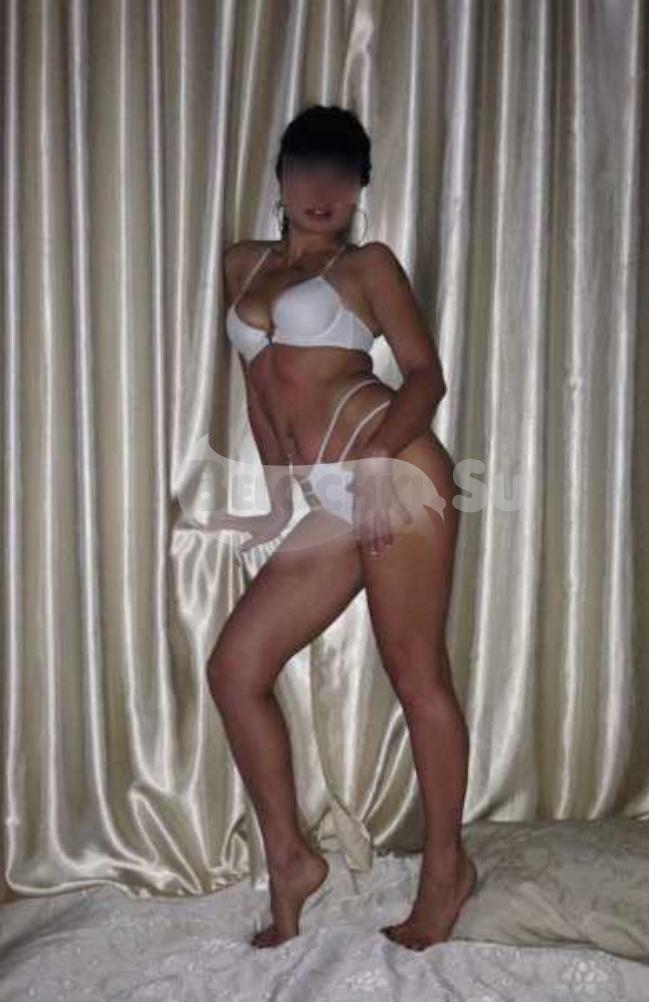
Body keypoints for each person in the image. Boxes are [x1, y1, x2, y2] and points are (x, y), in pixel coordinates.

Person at [206, 103, 477, 950]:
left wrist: (378, 464)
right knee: (236, 668)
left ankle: (447, 870)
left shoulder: (367, 266)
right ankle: (291, 859)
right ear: (280, 177)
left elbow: (425, 377)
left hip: (396, 471)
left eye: (342, 173)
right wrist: (278, 499)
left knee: (416, 673)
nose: (322, 188)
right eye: (306, 169)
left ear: (360, 187)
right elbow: (259, 393)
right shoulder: (242, 263)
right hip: (328, 495)